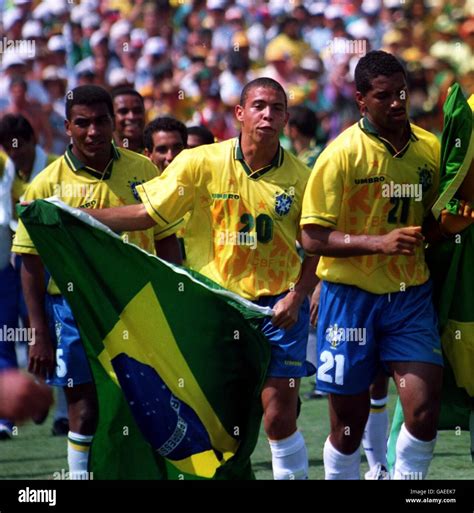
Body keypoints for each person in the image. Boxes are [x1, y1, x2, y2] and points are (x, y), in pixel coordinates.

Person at [82, 77, 318, 480]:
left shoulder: (302, 177)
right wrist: (77, 215)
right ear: (239, 114)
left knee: (279, 415)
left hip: (277, 309)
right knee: (218, 420)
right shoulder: (200, 163)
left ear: (286, 118)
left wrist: (298, 296)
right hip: (218, 308)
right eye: (259, 105)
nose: (268, 114)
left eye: (277, 108)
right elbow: (146, 216)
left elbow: (314, 244)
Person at [12, 85, 181, 479]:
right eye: (82, 123)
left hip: (137, 306)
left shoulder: (142, 169)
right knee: (84, 409)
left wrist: (174, 295)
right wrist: (39, 331)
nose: (93, 132)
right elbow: (30, 262)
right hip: (73, 312)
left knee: (145, 402)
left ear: (113, 122)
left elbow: (166, 237)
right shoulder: (46, 185)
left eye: (101, 121)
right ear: (68, 126)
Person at [300, 50, 443, 480]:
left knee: (421, 409)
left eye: (402, 92)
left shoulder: (429, 149)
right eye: (384, 96)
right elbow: (311, 236)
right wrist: (377, 243)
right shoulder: (340, 154)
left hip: (410, 296)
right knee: (347, 427)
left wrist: (449, 225)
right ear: (361, 100)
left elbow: (431, 224)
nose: (398, 102)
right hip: (349, 299)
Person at [0, 114, 68, 436]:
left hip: (52, 262)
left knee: (53, 331)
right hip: (13, 262)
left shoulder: (56, 168)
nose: (14, 155)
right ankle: (33, 398)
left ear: (32, 141)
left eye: (19, 148)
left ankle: (62, 412)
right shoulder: (5, 172)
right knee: (23, 331)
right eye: (7, 149)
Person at [111, 87, 146, 153]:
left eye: (137, 111)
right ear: (111, 116)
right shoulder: (103, 153)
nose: (131, 117)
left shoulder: (156, 149)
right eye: (123, 111)